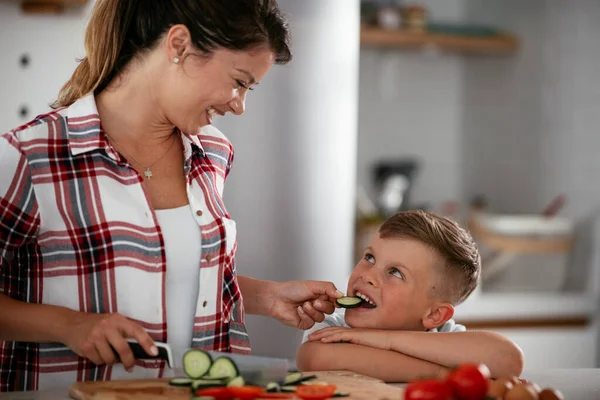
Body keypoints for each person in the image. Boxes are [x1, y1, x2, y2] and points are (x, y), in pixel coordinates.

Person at [0, 0, 344, 392]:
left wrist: (269, 296)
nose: (240, 104)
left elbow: (167, 270)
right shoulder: (30, 156)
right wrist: (70, 325)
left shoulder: (212, 151)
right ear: (179, 45)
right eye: (239, 81)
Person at [296, 210, 525, 382]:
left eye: (395, 272)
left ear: (435, 315)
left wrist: (386, 340)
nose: (368, 276)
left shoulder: (444, 336)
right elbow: (314, 358)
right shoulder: (336, 328)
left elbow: (508, 359)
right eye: (370, 258)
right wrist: (443, 374)